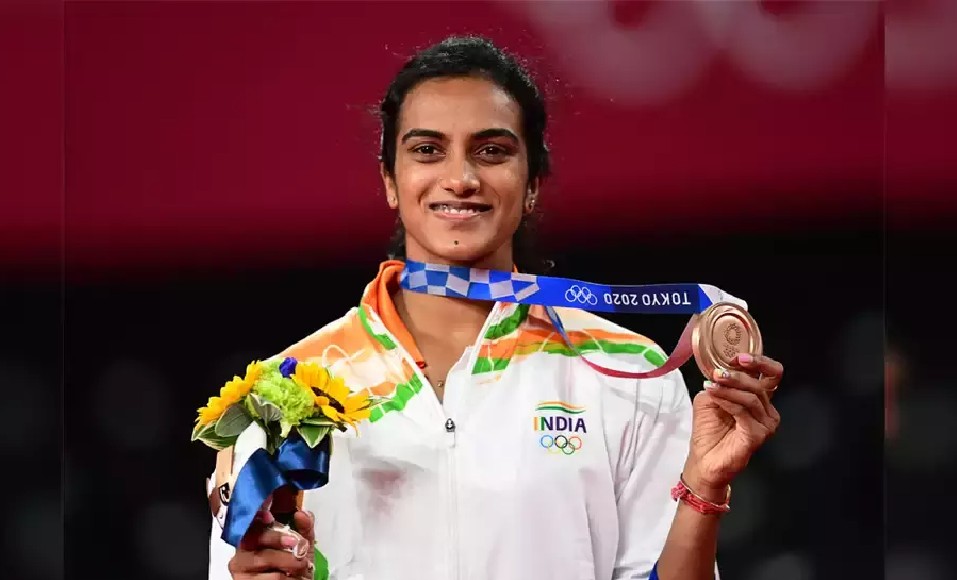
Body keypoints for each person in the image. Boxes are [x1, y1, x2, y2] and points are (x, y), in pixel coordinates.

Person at [208, 35, 783, 580]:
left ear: (531, 184)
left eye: (492, 151)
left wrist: (705, 487)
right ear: (390, 180)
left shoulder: (628, 373)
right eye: (427, 150)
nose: (460, 178)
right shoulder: (281, 394)